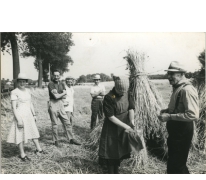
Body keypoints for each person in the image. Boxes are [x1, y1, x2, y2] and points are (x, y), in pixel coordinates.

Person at [158, 61, 199, 174]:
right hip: (176, 132)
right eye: (168, 73)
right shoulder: (178, 88)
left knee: (178, 166)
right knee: (174, 164)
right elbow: (180, 108)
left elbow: (193, 115)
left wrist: (169, 117)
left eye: (172, 74)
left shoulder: (187, 90)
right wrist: (167, 111)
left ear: (181, 74)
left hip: (182, 132)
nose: (168, 77)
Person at [98, 76, 136, 174]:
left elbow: (131, 108)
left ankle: (116, 171)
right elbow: (110, 117)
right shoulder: (109, 97)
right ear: (116, 87)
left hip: (124, 125)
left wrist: (132, 121)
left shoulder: (127, 93)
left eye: (124, 91)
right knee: (111, 151)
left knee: (120, 150)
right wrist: (126, 126)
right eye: (121, 91)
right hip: (112, 127)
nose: (123, 93)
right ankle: (111, 172)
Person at [7, 73, 46, 162]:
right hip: (20, 115)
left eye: (24, 82)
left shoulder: (28, 91)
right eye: (20, 82)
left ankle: (38, 149)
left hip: (29, 114)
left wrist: (34, 114)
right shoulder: (14, 92)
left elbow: (30, 103)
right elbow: (13, 107)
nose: (22, 83)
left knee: (33, 131)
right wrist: (19, 120)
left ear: (26, 82)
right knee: (20, 134)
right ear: (17, 82)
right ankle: (22, 154)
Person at [48, 69, 81, 147]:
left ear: (60, 76)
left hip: (61, 104)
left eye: (58, 75)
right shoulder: (51, 84)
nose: (56, 77)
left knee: (67, 122)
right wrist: (63, 93)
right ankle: (56, 141)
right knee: (55, 124)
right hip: (53, 103)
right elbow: (56, 96)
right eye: (55, 75)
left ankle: (71, 139)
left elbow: (65, 96)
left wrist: (61, 94)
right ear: (52, 75)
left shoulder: (62, 84)